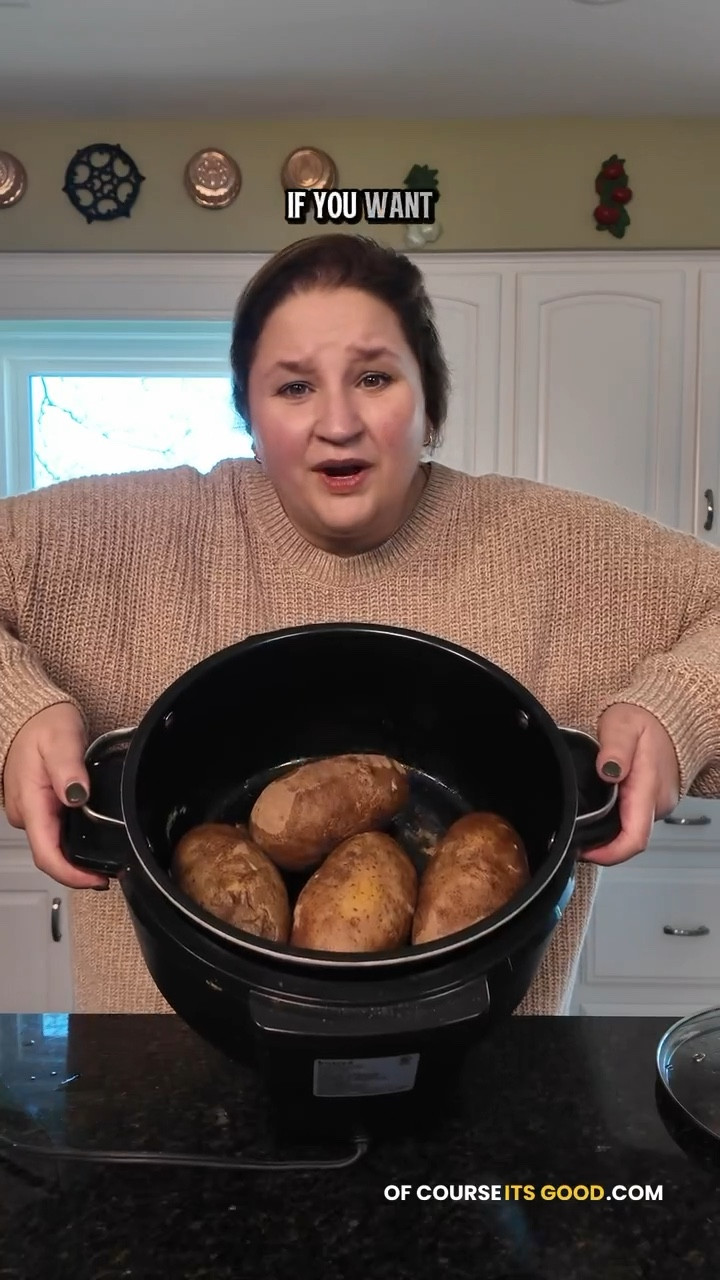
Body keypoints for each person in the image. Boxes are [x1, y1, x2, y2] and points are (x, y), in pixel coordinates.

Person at [0, 232, 718, 1016]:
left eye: (374, 376)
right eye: (294, 388)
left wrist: (676, 706)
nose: (337, 422)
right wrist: (16, 708)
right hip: (160, 1075)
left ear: (431, 403)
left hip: (485, 1078)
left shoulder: (554, 550)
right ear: (248, 414)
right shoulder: (132, 534)